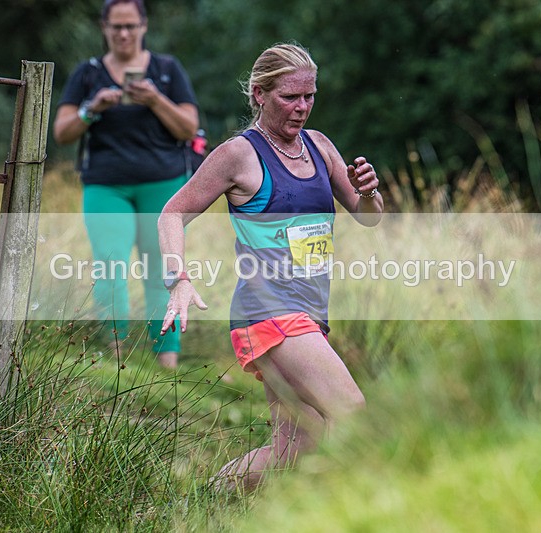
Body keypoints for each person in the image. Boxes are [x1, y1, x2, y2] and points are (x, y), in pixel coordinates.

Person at [157, 42, 384, 490]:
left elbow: (368, 216)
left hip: (310, 313)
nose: (302, 107)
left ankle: (204, 501)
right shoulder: (238, 155)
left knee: (295, 448)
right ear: (259, 94)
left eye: (309, 96)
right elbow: (172, 213)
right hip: (268, 311)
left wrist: (370, 192)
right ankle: (351, 510)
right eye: (290, 97)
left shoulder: (319, 146)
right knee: (352, 412)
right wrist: (177, 279)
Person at [53, 0, 200, 368]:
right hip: (106, 186)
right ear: (104, 27)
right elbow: (62, 132)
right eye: (116, 26)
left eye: (130, 26)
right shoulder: (88, 74)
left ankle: (167, 359)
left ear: (143, 26)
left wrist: (155, 100)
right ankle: (116, 356)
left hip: (164, 184)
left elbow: (188, 128)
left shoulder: (167, 70)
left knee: (163, 269)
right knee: (110, 265)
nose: (123, 33)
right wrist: (92, 109)